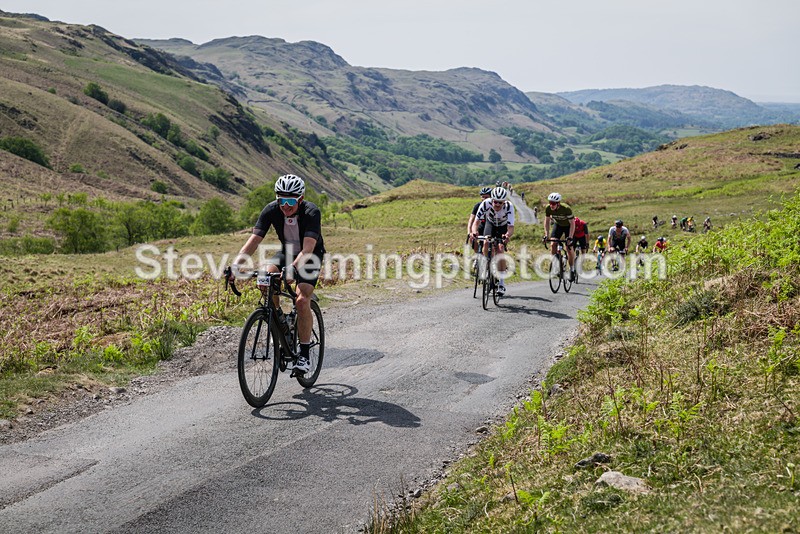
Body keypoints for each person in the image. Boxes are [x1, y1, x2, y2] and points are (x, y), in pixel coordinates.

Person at [230, 174, 325, 374]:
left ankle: (305, 355)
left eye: (291, 201)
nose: (286, 206)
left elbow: (308, 248)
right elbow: (254, 240)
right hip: (287, 252)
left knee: (301, 300)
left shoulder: (311, 212)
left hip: (310, 255)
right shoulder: (272, 210)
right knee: (264, 279)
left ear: (300, 199)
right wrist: (235, 265)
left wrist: (293, 269)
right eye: (282, 200)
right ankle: (279, 321)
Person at [471, 187, 515, 296]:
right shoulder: (486, 204)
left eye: (500, 203)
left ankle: (501, 282)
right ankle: (486, 265)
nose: (497, 205)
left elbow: (511, 227)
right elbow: (476, 222)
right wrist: (474, 232)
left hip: (502, 227)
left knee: (500, 250)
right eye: (495, 202)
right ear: (492, 200)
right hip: (490, 224)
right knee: (486, 242)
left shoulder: (509, 207)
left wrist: (507, 235)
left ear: (504, 202)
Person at [543, 192, 576, 281]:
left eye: (553, 203)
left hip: (568, 227)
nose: (551, 205)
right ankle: (557, 265)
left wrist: (570, 237)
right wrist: (546, 234)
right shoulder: (548, 208)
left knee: (569, 248)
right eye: (550, 203)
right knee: (553, 244)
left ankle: (572, 269)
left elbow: (573, 223)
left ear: (558, 203)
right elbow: (546, 222)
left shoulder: (566, 209)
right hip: (558, 226)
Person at [467, 186, 492, 254]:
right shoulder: (477, 206)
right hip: (481, 226)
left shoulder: (494, 205)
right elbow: (471, 220)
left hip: (491, 226)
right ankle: (478, 255)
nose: (484, 199)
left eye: (486, 197)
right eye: (482, 197)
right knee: (472, 239)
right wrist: (469, 232)